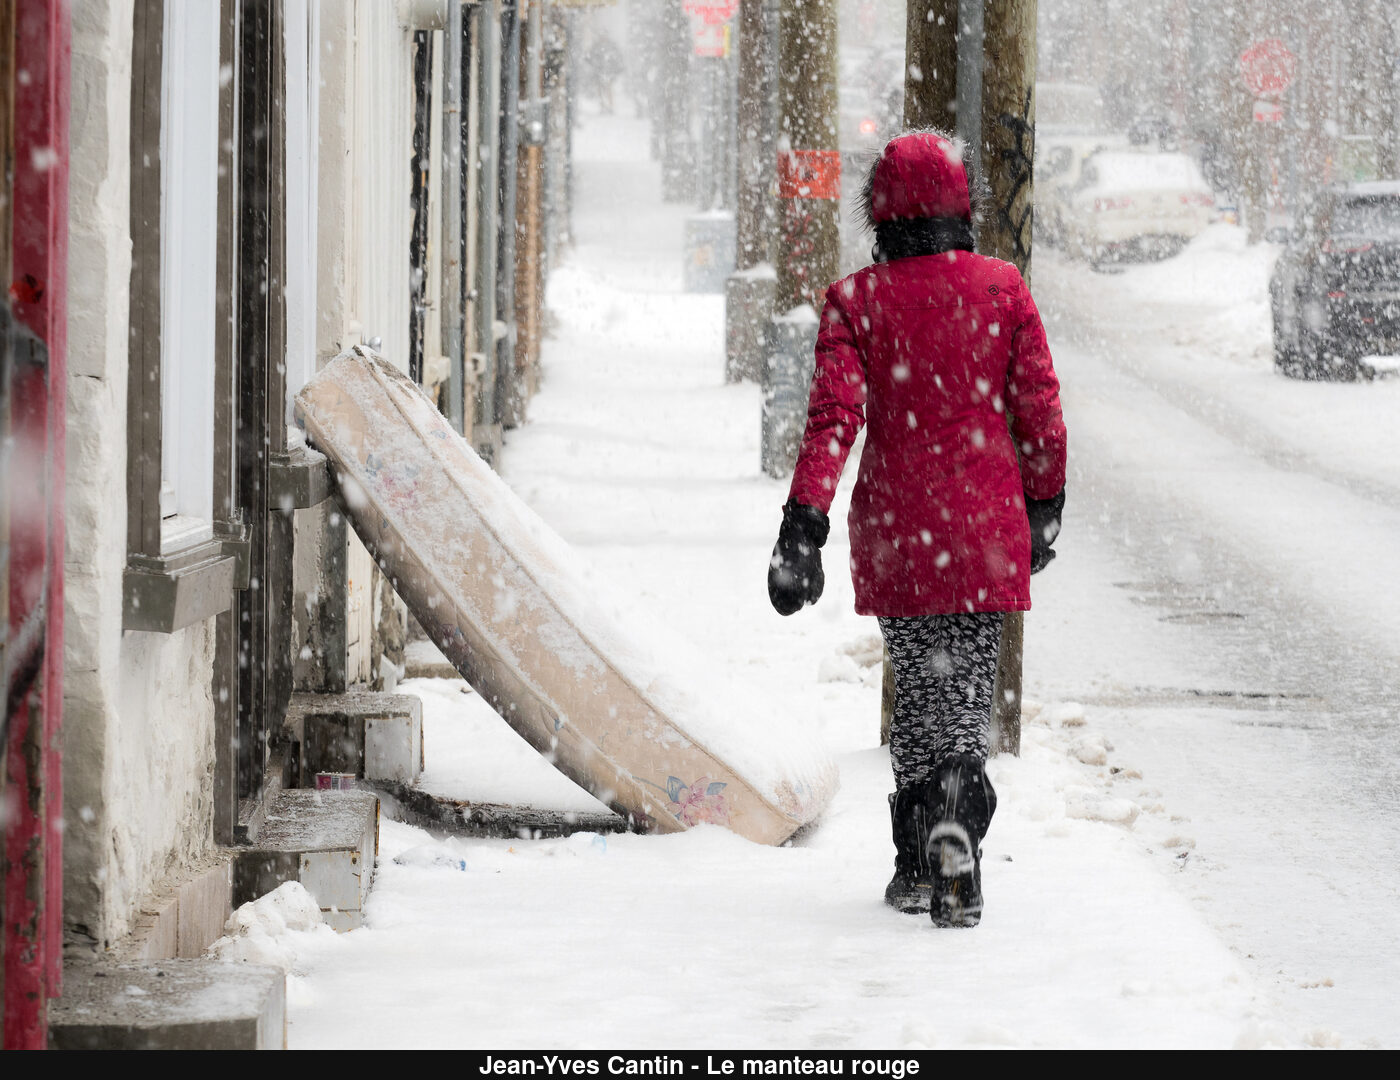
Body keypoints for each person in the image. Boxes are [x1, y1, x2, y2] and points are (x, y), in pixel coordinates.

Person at [767, 131, 1067, 927]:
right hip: (982, 527)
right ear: (961, 204)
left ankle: (914, 860)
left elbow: (833, 419)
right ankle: (956, 827)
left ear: (883, 210)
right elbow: (1040, 409)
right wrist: (1045, 505)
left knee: (917, 694)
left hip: (899, 530)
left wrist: (805, 523)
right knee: (963, 695)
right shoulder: (1003, 288)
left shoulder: (857, 301)